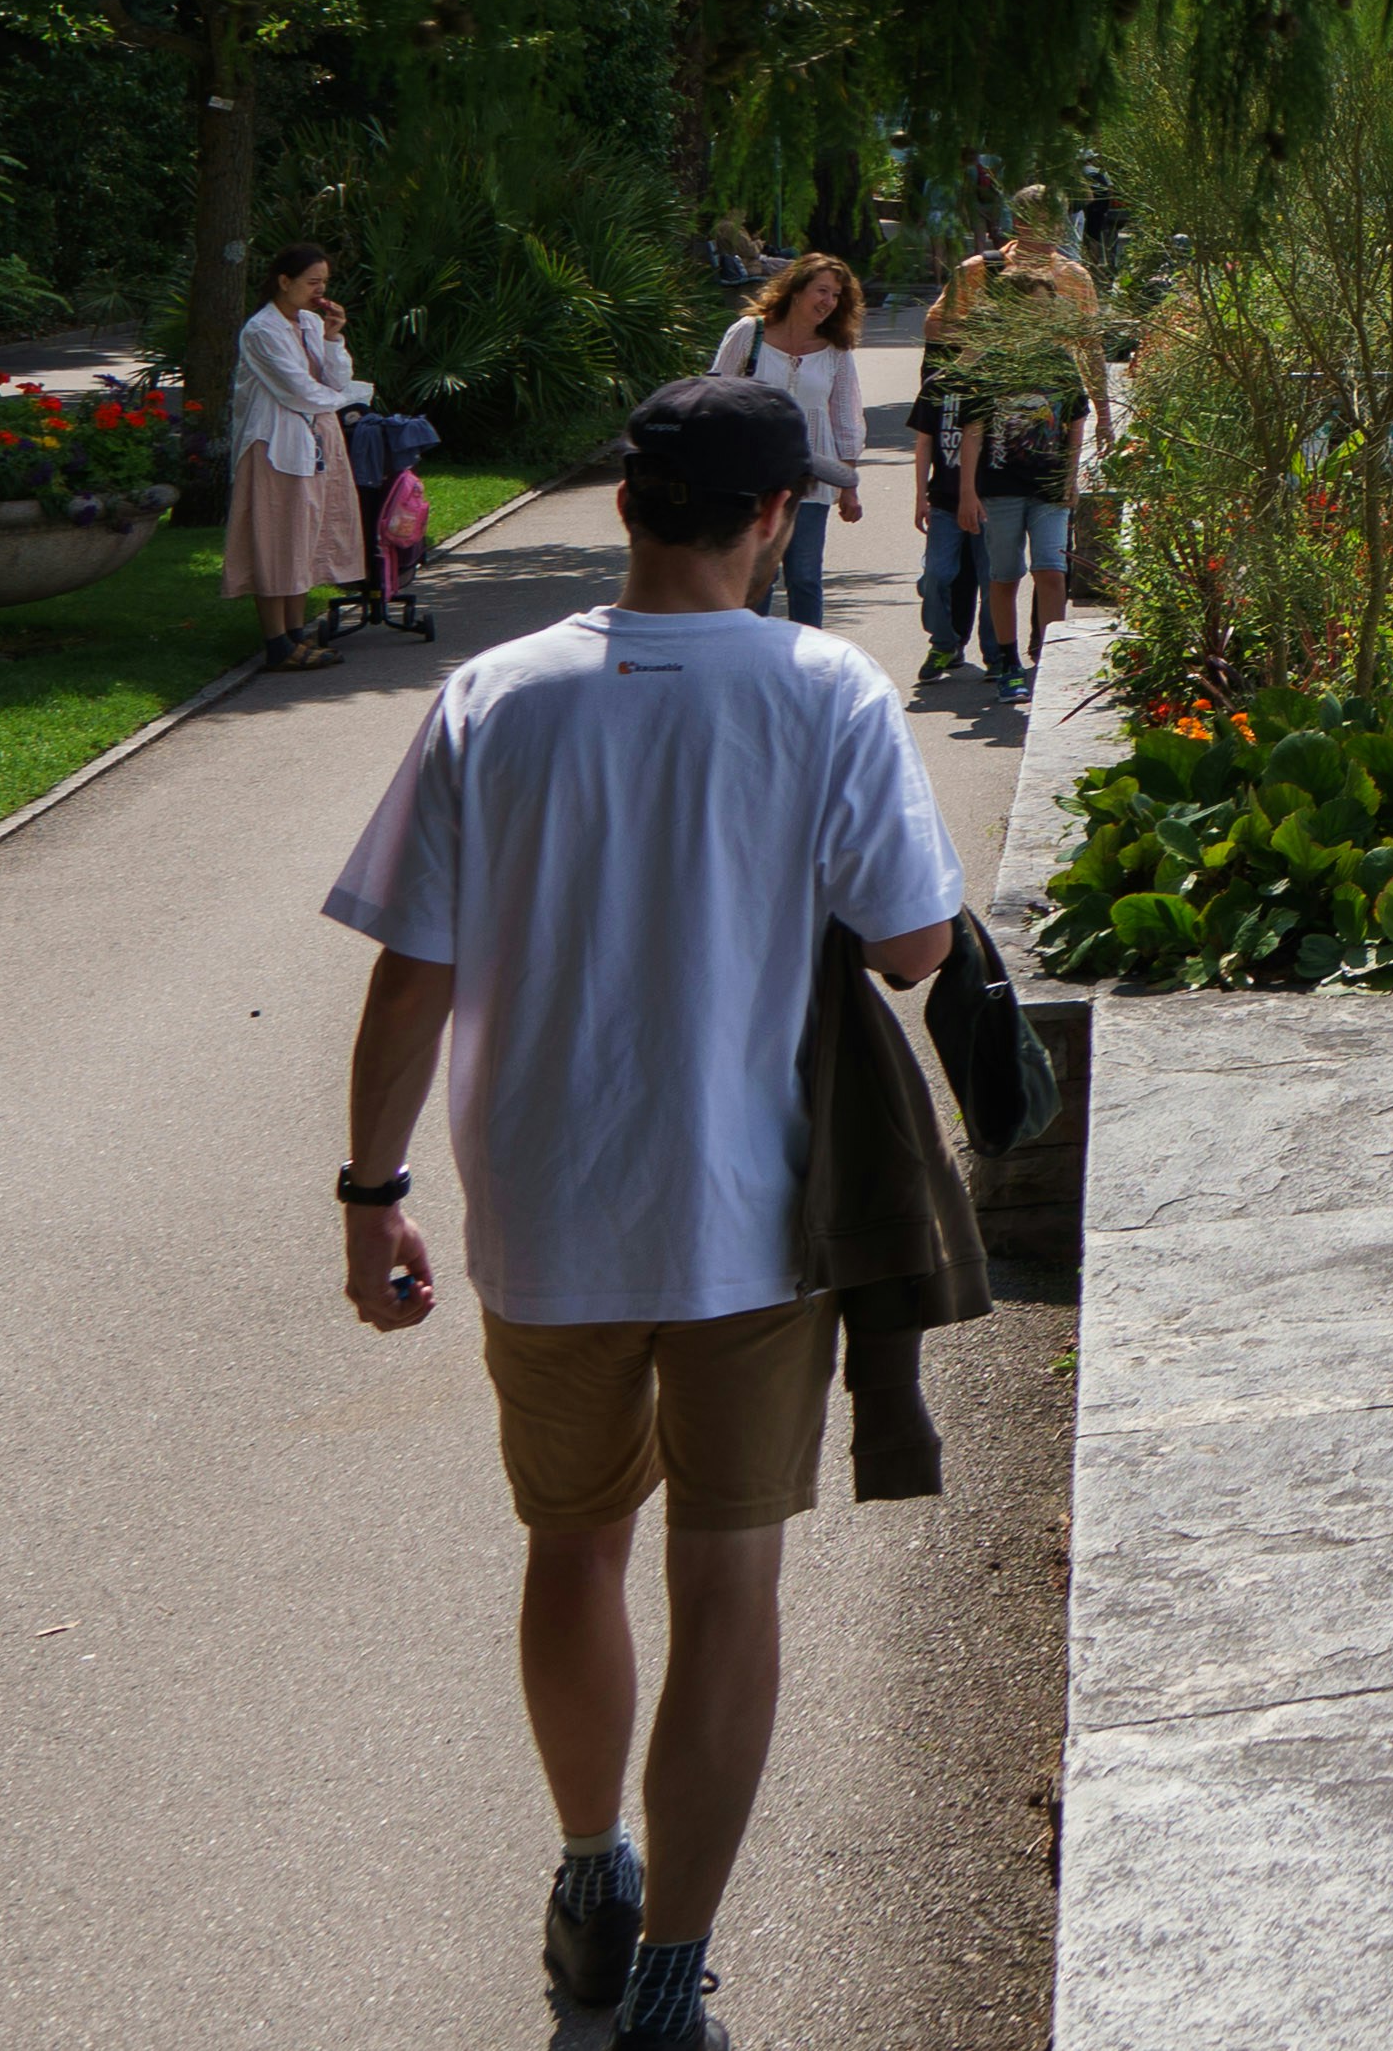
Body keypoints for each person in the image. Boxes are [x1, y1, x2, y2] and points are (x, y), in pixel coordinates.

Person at [323, 375, 969, 2051]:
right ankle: (676, 1971)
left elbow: (411, 973)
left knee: (574, 1542)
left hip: (542, 1218)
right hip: (752, 1215)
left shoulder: (495, 697)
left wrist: (369, 1195)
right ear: (780, 519)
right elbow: (911, 945)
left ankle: (591, 1861)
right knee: (729, 1582)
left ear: (623, 506)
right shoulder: (826, 692)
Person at [224, 241, 377, 667]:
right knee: (276, 538)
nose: (319, 290)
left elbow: (332, 375)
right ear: (284, 281)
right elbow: (297, 389)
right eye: (312, 282)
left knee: (302, 538)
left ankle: (296, 636)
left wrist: (331, 338)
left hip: (311, 441)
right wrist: (348, 398)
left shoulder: (310, 323)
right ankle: (277, 644)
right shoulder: (261, 331)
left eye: (324, 282)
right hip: (275, 445)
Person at [706, 253, 876, 629]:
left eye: (836, 295)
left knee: (805, 578)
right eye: (822, 290)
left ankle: (807, 667)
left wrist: (848, 488)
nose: (829, 301)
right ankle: (749, 657)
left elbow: (846, 419)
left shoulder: (836, 351)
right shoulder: (750, 333)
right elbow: (713, 397)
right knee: (756, 581)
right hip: (750, 481)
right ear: (796, 291)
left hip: (810, 481)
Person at [970, 351, 1085, 686]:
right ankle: (1008, 663)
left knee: (1051, 569)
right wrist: (967, 493)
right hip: (999, 489)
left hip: (1050, 490)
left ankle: (1053, 660)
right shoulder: (990, 362)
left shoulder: (1060, 361)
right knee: (1005, 576)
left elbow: (1077, 419)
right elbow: (973, 431)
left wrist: (1071, 477)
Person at [907, 354, 988, 698]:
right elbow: (924, 443)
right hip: (943, 501)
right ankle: (943, 643)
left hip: (989, 502)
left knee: (993, 579)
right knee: (937, 576)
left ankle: (998, 655)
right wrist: (920, 496)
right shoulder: (938, 384)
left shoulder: (996, 384)